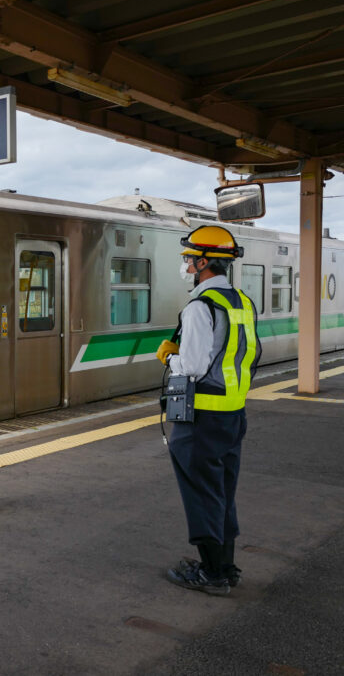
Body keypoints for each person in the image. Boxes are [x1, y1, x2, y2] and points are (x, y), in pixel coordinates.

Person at [155, 225, 261, 596]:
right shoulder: (241, 302)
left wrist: (172, 355)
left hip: (201, 416)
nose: (185, 263)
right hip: (232, 413)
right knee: (222, 490)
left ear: (204, 262)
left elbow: (196, 365)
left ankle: (211, 576)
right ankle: (224, 567)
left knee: (201, 492)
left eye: (189, 257)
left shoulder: (202, 306)